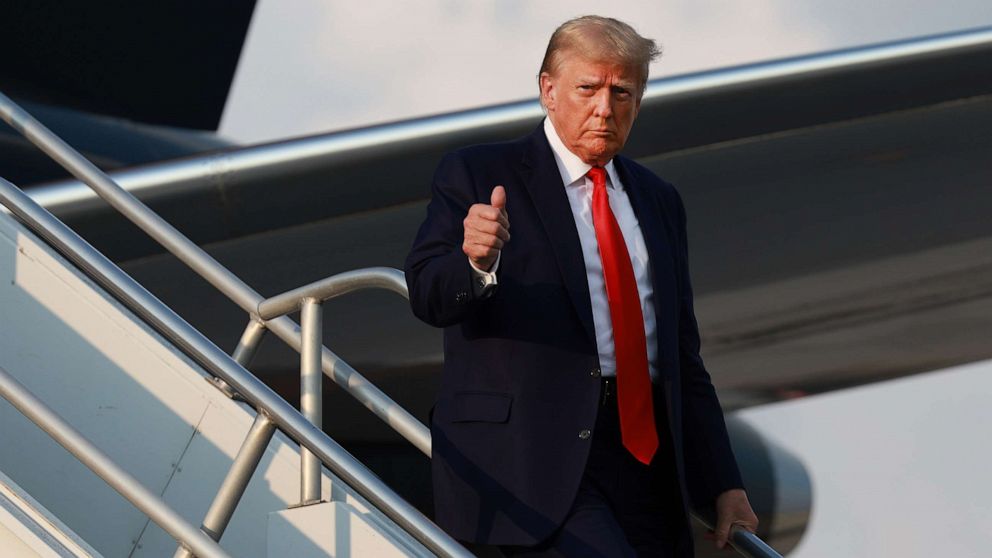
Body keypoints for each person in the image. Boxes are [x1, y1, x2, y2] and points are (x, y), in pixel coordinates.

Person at [405, 15, 758, 557]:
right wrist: (476, 262)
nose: (605, 108)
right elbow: (428, 292)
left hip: (645, 459)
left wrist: (724, 481)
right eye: (588, 88)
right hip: (531, 460)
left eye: (622, 92)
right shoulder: (479, 172)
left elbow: (683, 356)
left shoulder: (658, 199)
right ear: (548, 89)